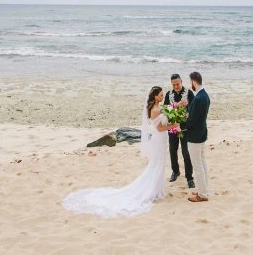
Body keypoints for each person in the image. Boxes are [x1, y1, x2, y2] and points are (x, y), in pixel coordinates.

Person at [62, 85, 180, 218]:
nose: (162, 96)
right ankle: (153, 191)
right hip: (159, 139)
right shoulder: (155, 110)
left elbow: (164, 118)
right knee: (157, 164)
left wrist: (172, 113)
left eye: (162, 94)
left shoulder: (159, 107)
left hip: (161, 139)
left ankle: (157, 189)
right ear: (154, 96)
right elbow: (159, 128)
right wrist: (173, 125)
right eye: (160, 94)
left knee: (159, 163)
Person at [183, 71, 211, 203]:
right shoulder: (204, 95)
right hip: (202, 133)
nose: (191, 85)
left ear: (194, 81)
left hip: (195, 136)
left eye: (191, 82)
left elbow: (192, 120)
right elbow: (198, 114)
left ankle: (202, 194)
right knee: (202, 162)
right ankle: (203, 188)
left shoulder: (199, 98)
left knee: (197, 165)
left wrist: (181, 125)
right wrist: (188, 105)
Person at [165, 73, 195, 188]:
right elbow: (166, 110)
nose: (176, 86)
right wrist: (177, 105)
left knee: (186, 152)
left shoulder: (189, 93)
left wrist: (188, 106)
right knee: (172, 150)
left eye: (177, 84)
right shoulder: (169, 94)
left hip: (185, 127)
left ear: (181, 82)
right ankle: (175, 171)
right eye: (173, 84)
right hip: (172, 126)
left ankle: (189, 177)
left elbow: (194, 109)